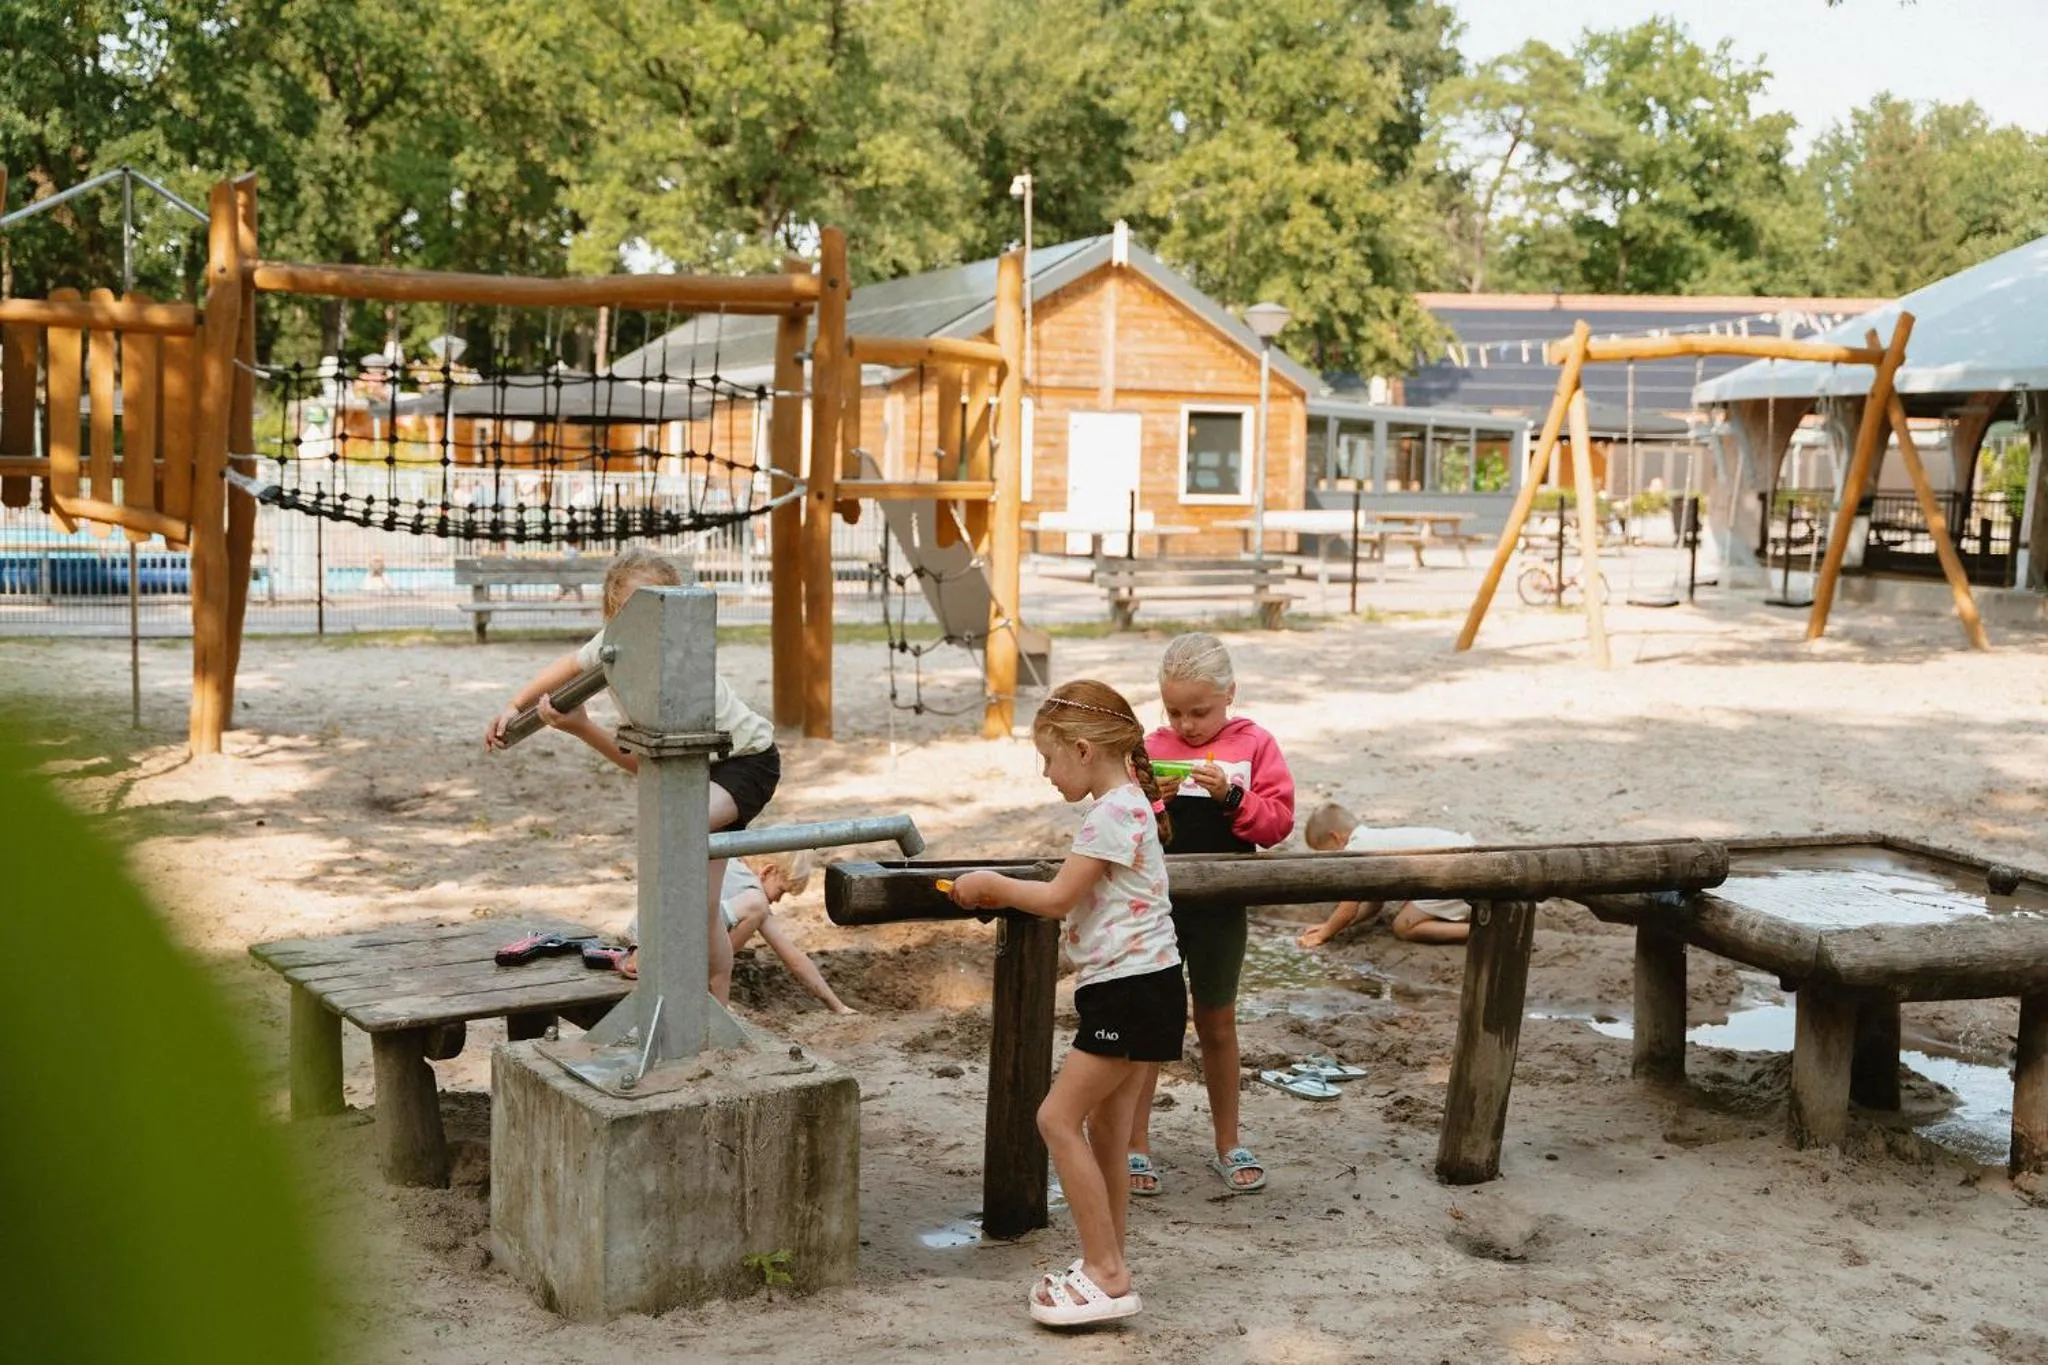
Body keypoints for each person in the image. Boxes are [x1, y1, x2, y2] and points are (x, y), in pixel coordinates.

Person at [945, 681, 1184, 1328]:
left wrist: (994, 885)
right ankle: (1108, 1261)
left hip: (1128, 989)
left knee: (1056, 1118)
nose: (1046, 774)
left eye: (1050, 759)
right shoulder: (1130, 804)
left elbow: (1055, 900)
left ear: (1083, 749)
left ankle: (1107, 1271)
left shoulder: (1111, 812)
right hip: (1154, 983)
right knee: (1107, 1128)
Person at [483, 545, 779, 1001]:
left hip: (746, 762)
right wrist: (514, 706)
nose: (650, 623)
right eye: (634, 611)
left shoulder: (679, 661)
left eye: (662, 607)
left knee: (676, 828)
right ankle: (714, 1002)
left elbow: (657, 771)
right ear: (612, 614)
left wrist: (582, 727)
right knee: (702, 911)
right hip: (692, 771)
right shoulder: (611, 645)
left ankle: (676, 964)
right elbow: (565, 673)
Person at [1127, 633, 1294, 1198]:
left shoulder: (1254, 745)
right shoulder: (1150, 748)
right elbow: (1128, 826)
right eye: (1175, 711)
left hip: (1223, 907)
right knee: (1152, 1024)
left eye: (1200, 711)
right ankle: (1135, 1144)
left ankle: (1228, 1141)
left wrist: (1232, 798)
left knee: (1217, 1022)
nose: (1188, 723)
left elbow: (1277, 825)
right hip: (1158, 909)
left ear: (1229, 696)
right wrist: (1155, 801)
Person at [1295, 802, 1477, 947]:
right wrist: (1329, 926)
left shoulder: (1355, 851)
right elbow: (1373, 905)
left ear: (1336, 838)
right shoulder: (1371, 840)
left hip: (1453, 869)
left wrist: (1322, 935)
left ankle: (1476, 933)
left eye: (1328, 854)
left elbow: (1347, 910)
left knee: (1404, 926)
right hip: (1465, 855)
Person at [722, 853, 856, 1015]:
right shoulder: (755, 901)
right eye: (781, 890)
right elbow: (794, 959)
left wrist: (837, 1006)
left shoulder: (731, 863)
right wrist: (837, 1007)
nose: (778, 900)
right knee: (757, 907)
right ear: (768, 872)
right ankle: (712, 988)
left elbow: (794, 957)